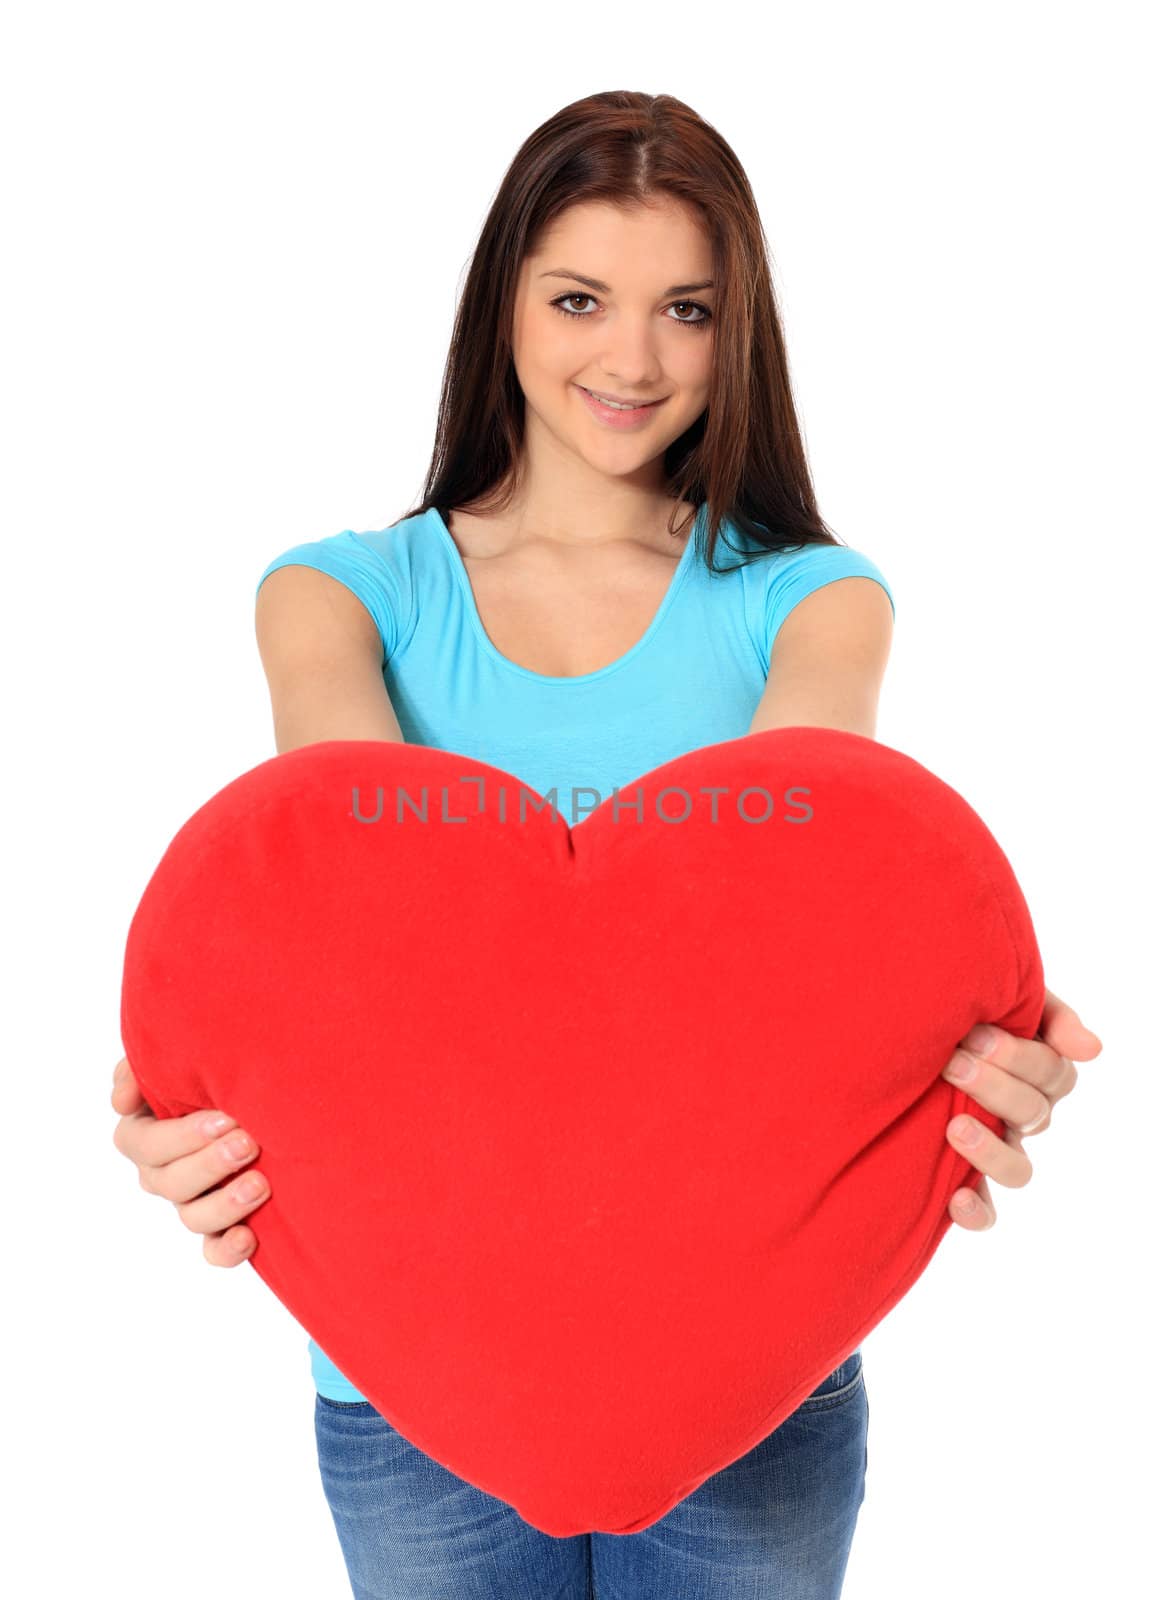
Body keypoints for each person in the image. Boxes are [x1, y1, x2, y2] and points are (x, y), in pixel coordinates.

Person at [111, 90, 1100, 1599]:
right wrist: (197, 1087)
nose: (630, 361)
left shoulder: (812, 602)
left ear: (738, 328)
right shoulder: (340, 595)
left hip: (749, 1371)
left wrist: (968, 1051)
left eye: (685, 311)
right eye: (580, 299)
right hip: (405, 1369)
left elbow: (828, 899)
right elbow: (350, 921)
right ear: (499, 300)